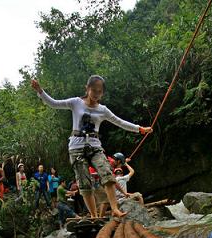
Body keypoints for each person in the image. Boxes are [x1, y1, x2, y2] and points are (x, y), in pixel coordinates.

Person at [30, 75, 152, 218]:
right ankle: (94, 216)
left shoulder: (103, 110)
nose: (96, 94)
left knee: (107, 172)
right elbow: (54, 103)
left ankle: (114, 208)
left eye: (99, 91)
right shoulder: (76, 102)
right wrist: (40, 90)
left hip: (95, 146)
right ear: (87, 89)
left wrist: (139, 129)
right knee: (84, 184)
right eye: (93, 90)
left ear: (102, 93)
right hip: (76, 147)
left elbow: (120, 122)